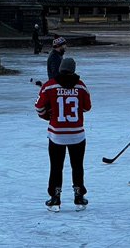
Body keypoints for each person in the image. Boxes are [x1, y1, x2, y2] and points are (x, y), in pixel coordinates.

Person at [34, 58, 92, 212]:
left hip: (56, 135)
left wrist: (49, 116)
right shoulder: (81, 86)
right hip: (77, 135)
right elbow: (87, 107)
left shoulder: (49, 86)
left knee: (56, 167)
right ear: (73, 69)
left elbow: (39, 108)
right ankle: (79, 197)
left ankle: (55, 198)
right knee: (77, 166)